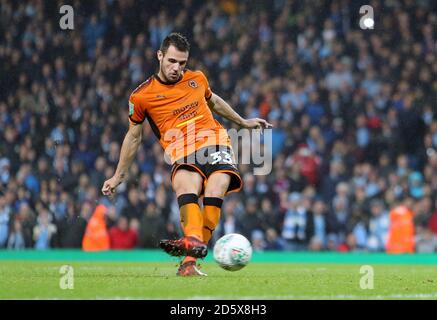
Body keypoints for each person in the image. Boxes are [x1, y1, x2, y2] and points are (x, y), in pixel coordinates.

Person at [102, 33, 272, 276]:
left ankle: (191, 245)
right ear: (159, 55)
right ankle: (190, 259)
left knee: (216, 188)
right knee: (186, 184)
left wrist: (243, 122)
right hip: (181, 149)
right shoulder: (141, 96)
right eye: (172, 61)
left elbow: (213, 101)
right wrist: (118, 175)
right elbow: (133, 137)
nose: (177, 68)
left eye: (182, 63)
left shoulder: (197, 78)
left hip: (215, 141)